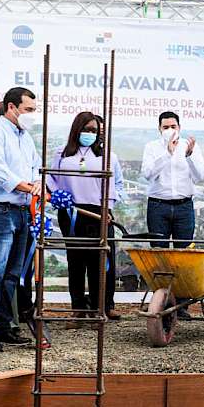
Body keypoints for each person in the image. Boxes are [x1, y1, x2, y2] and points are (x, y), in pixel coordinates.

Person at [0, 87, 43, 353]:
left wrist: (37, 182)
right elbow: (0, 174)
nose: (32, 116)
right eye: (28, 110)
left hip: (21, 211)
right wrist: (29, 187)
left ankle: (5, 327)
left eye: (34, 110)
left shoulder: (26, 138)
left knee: (12, 275)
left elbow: (36, 166)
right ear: (11, 108)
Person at [47, 112, 124, 323]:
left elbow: (115, 185)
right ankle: (78, 308)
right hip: (72, 213)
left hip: (99, 212)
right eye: (86, 129)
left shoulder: (107, 156)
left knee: (101, 260)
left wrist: (109, 208)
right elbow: (51, 178)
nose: (90, 134)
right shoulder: (61, 153)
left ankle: (103, 306)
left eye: (94, 130)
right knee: (76, 261)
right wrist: (58, 196)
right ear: (77, 129)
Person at [141, 111, 204, 320]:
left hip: (183, 206)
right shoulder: (152, 147)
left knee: (183, 255)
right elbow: (147, 174)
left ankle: (181, 306)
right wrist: (167, 154)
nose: (170, 130)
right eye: (165, 127)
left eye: (173, 126)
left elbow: (200, 176)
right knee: (158, 255)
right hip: (158, 206)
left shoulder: (190, 146)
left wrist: (188, 156)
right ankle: (159, 303)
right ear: (159, 129)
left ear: (180, 127)